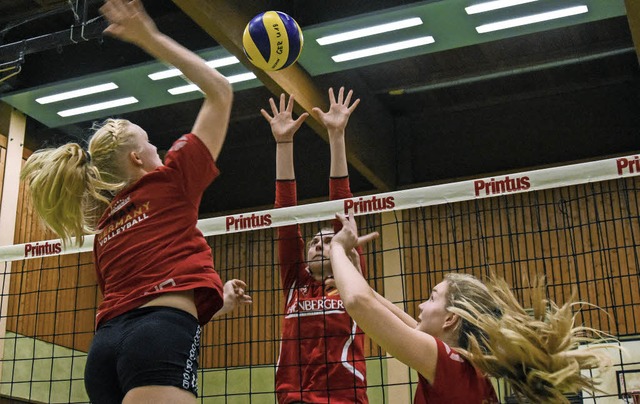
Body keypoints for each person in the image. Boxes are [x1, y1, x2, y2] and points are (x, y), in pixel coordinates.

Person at [20, 1, 251, 403]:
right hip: (158, 337)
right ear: (137, 158)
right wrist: (150, 37)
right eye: (151, 143)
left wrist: (217, 302)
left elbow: (141, 299)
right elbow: (220, 90)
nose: (159, 148)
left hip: (105, 351)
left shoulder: (107, 225)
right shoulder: (169, 182)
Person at [329, 212, 613, 404]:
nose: (420, 305)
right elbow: (393, 317)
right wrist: (357, 277)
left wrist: (336, 248)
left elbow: (358, 302)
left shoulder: (447, 364)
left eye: (431, 298)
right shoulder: (470, 369)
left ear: (451, 319)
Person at [260, 87, 368, 403]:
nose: (318, 246)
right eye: (312, 243)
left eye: (327, 241)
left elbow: (341, 206)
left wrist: (336, 136)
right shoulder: (295, 281)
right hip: (295, 399)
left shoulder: (351, 281)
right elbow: (286, 215)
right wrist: (284, 143)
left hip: (345, 399)